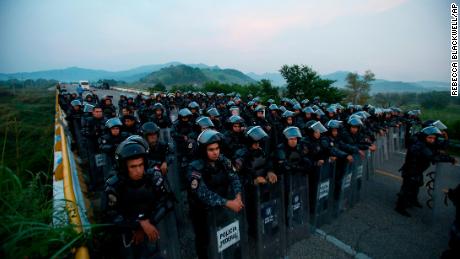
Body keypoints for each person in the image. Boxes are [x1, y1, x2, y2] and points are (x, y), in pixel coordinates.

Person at [103, 135, 175, 258]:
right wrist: (138, 224)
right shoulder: (114, 185)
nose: (138, 171)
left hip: (155, 229)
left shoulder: (153, 177)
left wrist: (148, 222)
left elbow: (168, 201)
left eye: (141, 165)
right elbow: (110, 215)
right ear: (124, 167)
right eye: (133, 167)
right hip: (128, 237)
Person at [187, 129, 243, 259]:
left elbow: (233, 176)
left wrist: (238, 195)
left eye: (217, 148)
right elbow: (203, 193)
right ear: (203, 150)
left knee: (224, 238)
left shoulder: (222, 160)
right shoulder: (194, 168)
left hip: (221, 208)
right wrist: (228, 203)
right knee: (205, 243)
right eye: (211, 149)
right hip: (202, 212)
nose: (215, 152)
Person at [395, 126, 457, 217]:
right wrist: (450, 159)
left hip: (417, 170)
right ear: (424, 137)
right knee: (407, 189)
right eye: (430, 138)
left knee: (416, 186)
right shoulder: (420, 145)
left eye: (433, 138)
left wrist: (446, 138)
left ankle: (412, 201)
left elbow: (439, 148)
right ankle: (400, 207)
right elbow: (433, 157)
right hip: (411, 170)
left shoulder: (426, 144)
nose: (432, 140)